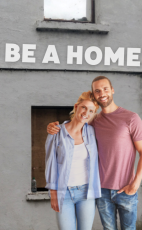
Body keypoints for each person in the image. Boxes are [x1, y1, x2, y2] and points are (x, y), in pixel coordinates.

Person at [47, 76, 142, 230]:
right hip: (101, 191)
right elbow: (76, 123)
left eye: (105, 89)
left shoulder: (131, 118)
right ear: (94, 96)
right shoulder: (94, 122)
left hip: (126, 189)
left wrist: (135, 184)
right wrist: (53, 127)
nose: (102, 93)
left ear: (112, 90)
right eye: (97, 91)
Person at [45, 91, 101, 230]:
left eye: (91, 111)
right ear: (76, 107)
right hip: (64, 194)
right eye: (83, 107)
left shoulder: (93, 132)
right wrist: (53, 193)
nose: (86, 113)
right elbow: (50, 163)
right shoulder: (56, 132)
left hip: (86, 193)